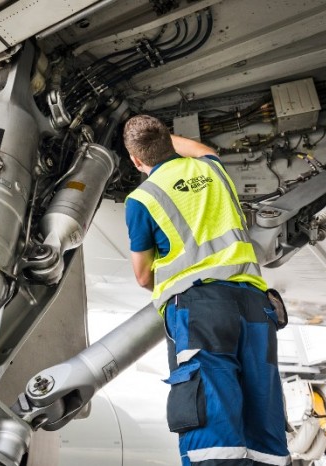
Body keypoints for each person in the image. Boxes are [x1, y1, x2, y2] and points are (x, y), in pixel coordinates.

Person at [123, 114, 290, 466]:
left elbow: (141, 276)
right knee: (264, 421)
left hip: (201, 312)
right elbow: (201, 150)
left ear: (136, 161)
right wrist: (163, 139)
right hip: (255, 307)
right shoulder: (213, 170)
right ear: (170, 143)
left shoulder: (142, 198)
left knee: (213, 430)